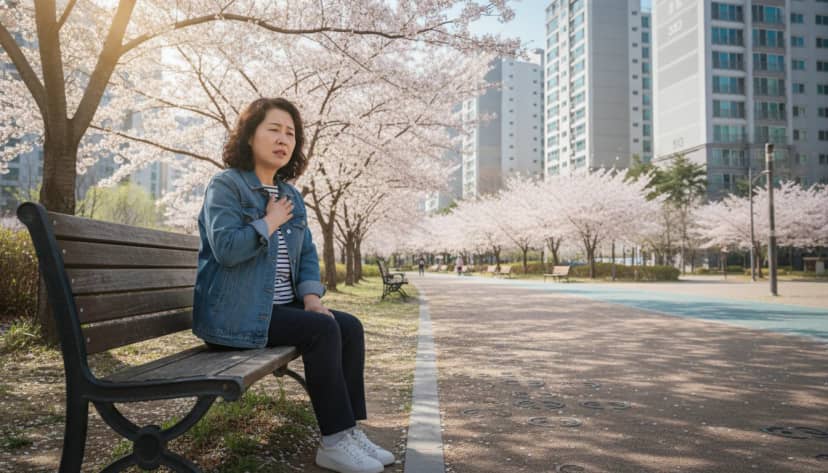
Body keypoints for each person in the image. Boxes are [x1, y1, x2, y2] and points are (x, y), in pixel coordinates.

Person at [193, 97, 393, 473]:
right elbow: (226, 249)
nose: (284, 139)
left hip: (280, 312)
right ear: (250, 135)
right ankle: (333, 442)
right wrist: (267, 222)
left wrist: (312, 297)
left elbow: (306, 255)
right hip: (235, 317)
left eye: (291, 133)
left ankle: (348, 431)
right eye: (274, 129)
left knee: (347, 325)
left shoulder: (291, 195)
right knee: (321, 330)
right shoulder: (226, 185)